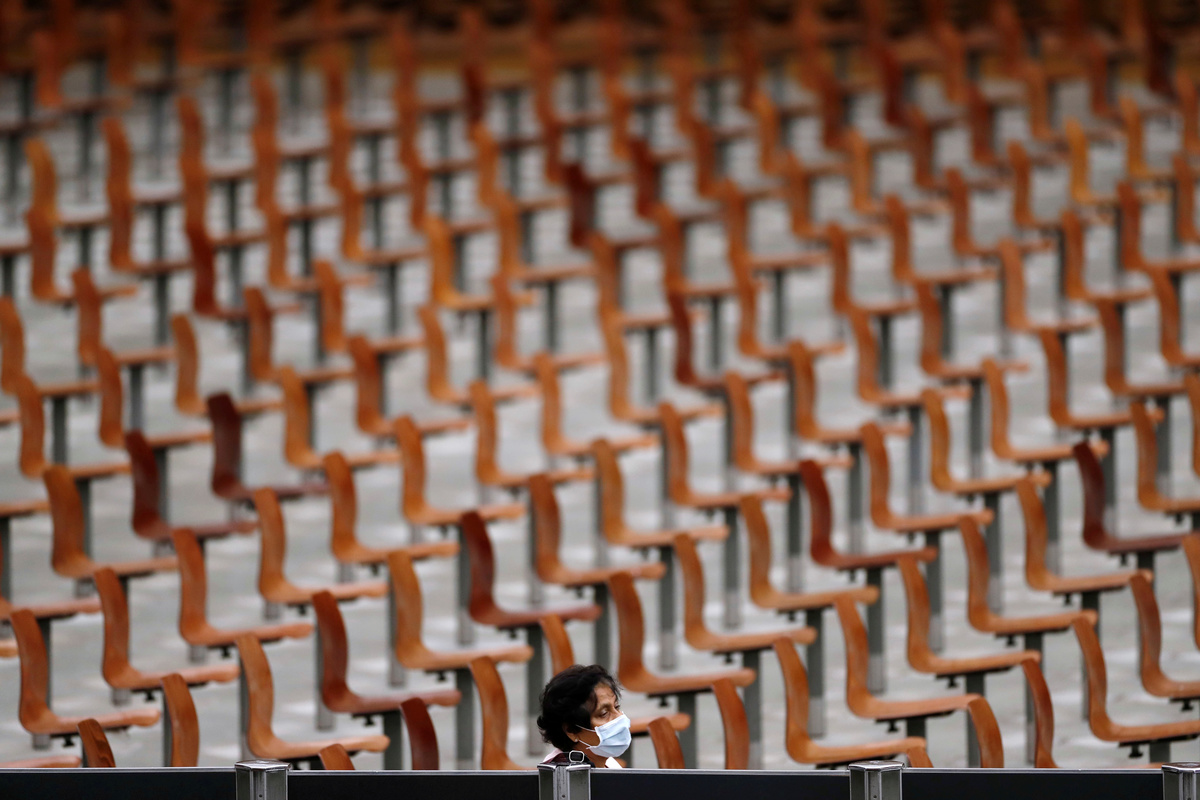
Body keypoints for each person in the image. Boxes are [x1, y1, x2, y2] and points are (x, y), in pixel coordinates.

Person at [537, 664, 631, 768]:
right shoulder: (563, 775)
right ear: (571, 730)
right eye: (604, 713)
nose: (619, 717)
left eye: (616, 707)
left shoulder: (607, 762)